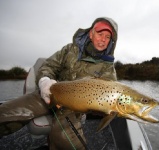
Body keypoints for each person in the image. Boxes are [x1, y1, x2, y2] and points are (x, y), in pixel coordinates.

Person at [0, 17, 118, 149]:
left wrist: (104, 109)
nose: (103, 39)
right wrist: (45, 81)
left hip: (73, 109)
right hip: (50, 92)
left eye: (107, 37)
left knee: (67, 139)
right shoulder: (69, 49)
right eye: (100, 34)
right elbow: (49, 66)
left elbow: (108, 99)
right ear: (91, 34)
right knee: (6, 113)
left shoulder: (108, 69)